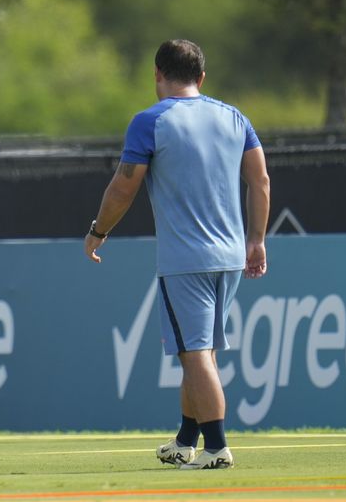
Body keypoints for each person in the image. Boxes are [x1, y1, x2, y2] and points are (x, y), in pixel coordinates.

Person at [84, 39, 269, 470]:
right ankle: (187, 439)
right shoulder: (234, 117)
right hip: (230, 257)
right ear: (201, 78)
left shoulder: (150, 121)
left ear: (157, 74)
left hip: (187, 260)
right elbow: (259, 181)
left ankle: (216, 448)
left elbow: (123, 187)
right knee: (202, 352)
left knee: (195, 354)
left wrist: (98, 230)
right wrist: (256, 240)